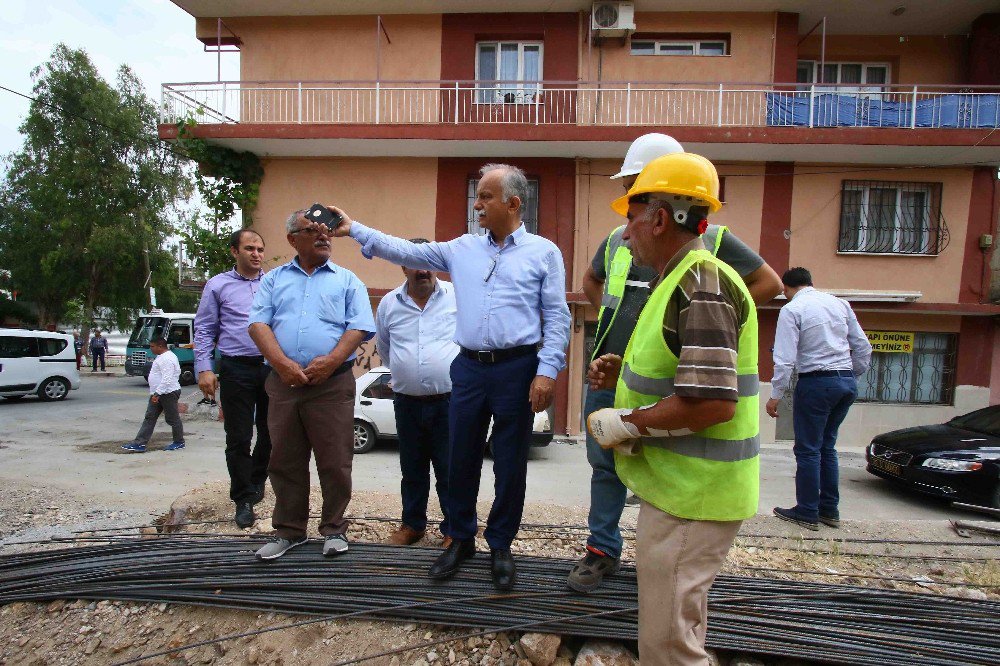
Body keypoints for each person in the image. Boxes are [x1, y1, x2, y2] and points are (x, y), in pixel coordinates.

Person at [326, 163, 571, 591]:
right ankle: (460, 539)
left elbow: (557, 316)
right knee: (460, 459)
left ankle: (500, 546)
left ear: (513, 203)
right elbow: (405, 250)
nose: (477, 204)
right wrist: (356, 229)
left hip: (518, 369)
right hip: (470, 368)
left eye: (486, 197)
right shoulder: (461, 249)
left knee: (510, 463)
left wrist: (547, 372)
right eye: (477, 196)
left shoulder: (544, 252)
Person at [569, 133, 781, 593]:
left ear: (664, 210)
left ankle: (662, 552)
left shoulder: (710, 254)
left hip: (679, 390)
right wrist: (621, 339)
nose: (628, 215)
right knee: (608, 466)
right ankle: (605, 549)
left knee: (661, 467)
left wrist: (702, 340)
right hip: (620, 373)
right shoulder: (618, 239)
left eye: (636, 191)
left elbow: (766, 283)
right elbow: (593, 282)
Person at [586, 152, 759, 666]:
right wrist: (624, 378)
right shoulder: (679, 277)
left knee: (665, 648)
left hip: (694, 497)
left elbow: (709, 404)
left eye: (630, 218)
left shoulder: (700, 282)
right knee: (679, 627)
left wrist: (627, 422)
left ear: (660, 218)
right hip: (683, 492)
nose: (625, 233)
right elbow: (686, 372)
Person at [248, 209, 376, 561]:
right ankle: (289, 532)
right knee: (284, 460)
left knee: (335, 461)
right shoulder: (273, 280)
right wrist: (282, 364)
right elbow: (258, 324)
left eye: (327, 231)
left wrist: (333, 360)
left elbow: (359, 326)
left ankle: (334, 529)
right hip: (283, 384)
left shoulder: (347, 280)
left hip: (331, 385)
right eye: (313, 230)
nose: (324, 236)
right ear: (293, 239)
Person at [766, 267, 872, 531]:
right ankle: (829, 510)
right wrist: (849, 376)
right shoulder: (840, 304)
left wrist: (775, 395)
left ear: (786, 289)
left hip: (815, 383)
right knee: (827, 447)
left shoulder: (792, 310)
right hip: (845, 380)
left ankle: (807, 511)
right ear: (810, 283)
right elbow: (862, 347)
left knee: (808, 450)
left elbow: (785, 359)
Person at [375, 239, 458, 546]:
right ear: (403, 266)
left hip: (449, 401)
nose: (423, 270)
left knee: (450, 469)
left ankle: (455, 529)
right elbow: (385, 348)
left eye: (428, 263)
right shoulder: (388, 304)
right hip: (406, 403)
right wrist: (407, 370)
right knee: (412, 468)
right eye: (415, 263)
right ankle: (413, 526)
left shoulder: (456, 296)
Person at [194, 229, 272, 530]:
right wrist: (204, 367)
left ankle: (257, 480)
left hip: (270, 367)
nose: (256, 254)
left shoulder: (274, 284)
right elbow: (203, 329)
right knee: (238, 436)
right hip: (235, 368)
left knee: (271, 432)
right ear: (234, 252)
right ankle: (242, 498)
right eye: (250, 248)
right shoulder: (218, 285)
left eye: (260, 249)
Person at [121, 337, 185, 453]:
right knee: (150, 417)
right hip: (159, 393)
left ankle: (179, 442)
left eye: (152, 346)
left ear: (160, 346)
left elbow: (167, 378)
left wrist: (158, 393)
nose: (150, 349)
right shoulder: (161, 357)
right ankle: (139, 443)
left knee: (172, 418)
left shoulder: (167, 358)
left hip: (167, 393)